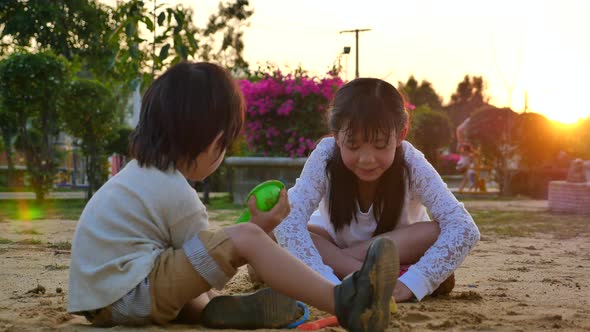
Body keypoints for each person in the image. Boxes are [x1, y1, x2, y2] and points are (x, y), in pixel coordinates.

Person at [67, 62, 399, 331]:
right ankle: (346, 301)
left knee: (203, 267)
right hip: (129, 293)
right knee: (246, 238)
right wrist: (254, 230)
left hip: (105, 299)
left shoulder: (139, 176)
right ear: (213, 142)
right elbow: (213, 259)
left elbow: (194, 259)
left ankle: (214, 312)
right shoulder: (175, 192)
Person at [273, 78, 481, 303]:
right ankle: (362, 276)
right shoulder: (325, 156)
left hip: (398, 248)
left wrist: (413, 282)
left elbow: (463, 227)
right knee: (271, 231)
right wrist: (326, 284)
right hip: (333, 244)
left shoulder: (411, 163)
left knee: (435, 231)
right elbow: (288, 218)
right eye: (353, 145)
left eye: (380, 145)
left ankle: (350, 272)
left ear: (401, 134)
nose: (367, 159)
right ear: (336, 135)